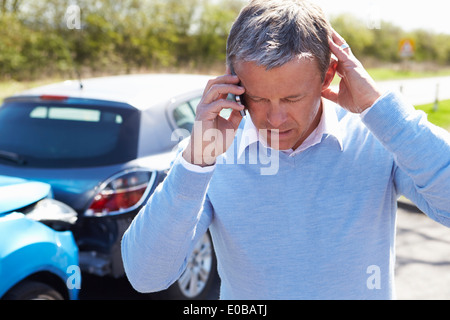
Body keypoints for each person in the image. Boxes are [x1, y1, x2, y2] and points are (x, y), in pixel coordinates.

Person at [121, 0, 450, 299]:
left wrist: (380, 110)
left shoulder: (378, 135)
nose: (274, 119)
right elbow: (146, 276)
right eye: (259, 98)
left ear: (327, 77)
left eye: (292, 98)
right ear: (233, 84)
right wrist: (194, 164)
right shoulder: (211, 151)